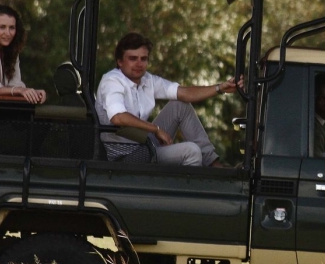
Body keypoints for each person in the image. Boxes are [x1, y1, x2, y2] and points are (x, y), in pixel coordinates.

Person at [96, 32, 239, 166]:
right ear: (120, 62)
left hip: (144, 143)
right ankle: (191, 185)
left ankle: (213, 164)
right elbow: (118, 117)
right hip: (125, 156)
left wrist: (220, 88)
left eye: (143, 59)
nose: (139, 64)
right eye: (133, 58)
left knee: (180, 105)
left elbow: (184, 93)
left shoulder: (147, 80)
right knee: (191, 151)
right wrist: (155, 129)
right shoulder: (112, 81)